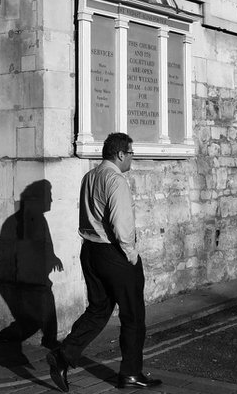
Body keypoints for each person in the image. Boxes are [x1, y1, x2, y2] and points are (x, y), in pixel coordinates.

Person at [46, 133, 161, 391]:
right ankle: (130, 374)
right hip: (114, 254)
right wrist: (131, 254)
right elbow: (122, 226)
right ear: (120, 154)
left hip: (91, 252)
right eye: (131, 153)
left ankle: (63, 355)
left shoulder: (90, 176)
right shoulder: (116, 180)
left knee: (98, 310)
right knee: (133, 315)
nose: (132, 158)